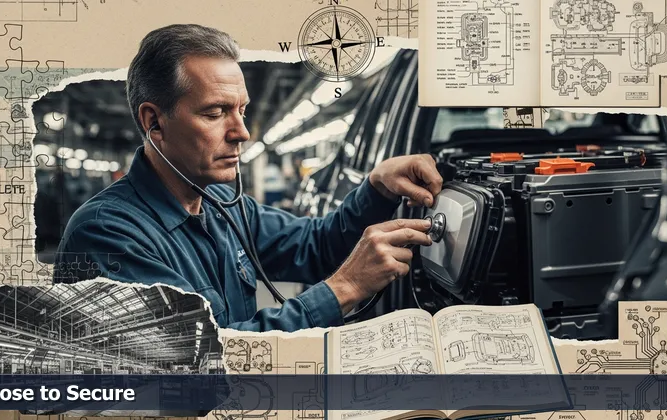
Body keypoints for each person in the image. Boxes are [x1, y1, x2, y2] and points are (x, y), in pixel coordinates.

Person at [53, 24, 443, 332]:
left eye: (241, 110)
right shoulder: (107, 235)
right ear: (155, 122)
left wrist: (375, 187)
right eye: (215, 112)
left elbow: (316, 246)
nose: (242, 132)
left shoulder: (223, 204)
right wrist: (343, 289)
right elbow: (197, 364)